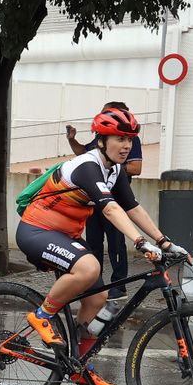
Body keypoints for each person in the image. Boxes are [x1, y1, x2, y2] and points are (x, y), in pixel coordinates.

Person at [17, 107, 186, 385]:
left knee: (98, 297)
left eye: (130, 139)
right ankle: (42, 315)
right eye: (119, 138)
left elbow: (131, 207)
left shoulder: (114, 170)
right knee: (89, 268)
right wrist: (139, 242)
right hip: (36, 230)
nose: (126, 145)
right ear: (101, 141)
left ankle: (80, 367)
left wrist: (164, 242)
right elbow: (109, 208)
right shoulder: (87, 166)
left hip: (65, 235)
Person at [65, 101, 145, 298]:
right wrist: (72, 140)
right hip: (93, 201)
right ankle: (95, 285)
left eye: (106, 113)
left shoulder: (126, 140)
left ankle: (119, 285)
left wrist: (112, 168)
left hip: (115, 200)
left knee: (116, 243)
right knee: (93, 243)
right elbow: (85, 155)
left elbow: (136, 168)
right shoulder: (101, 139)